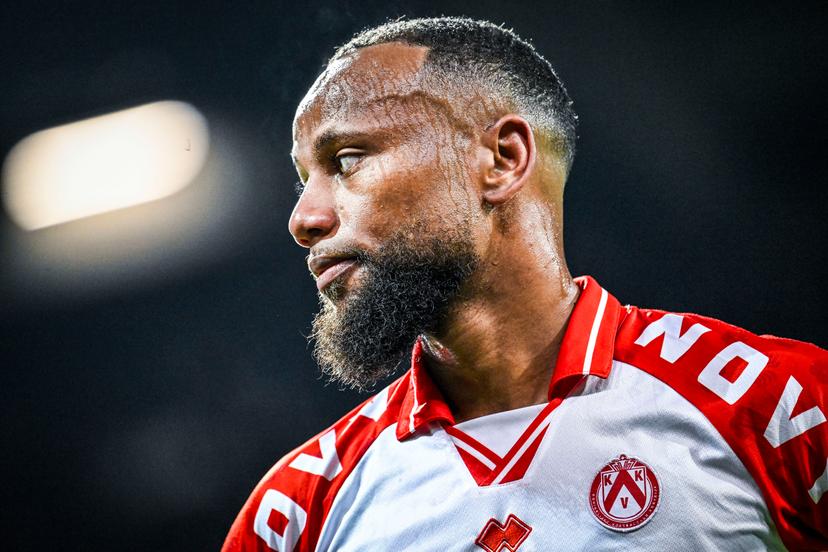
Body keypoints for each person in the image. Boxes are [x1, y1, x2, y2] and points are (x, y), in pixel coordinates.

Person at [223, 17, 827, 551]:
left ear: (502, 160)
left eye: (347, 160)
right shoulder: (295, 513)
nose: (303, 219)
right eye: (304, 179)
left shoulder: (776, 404)